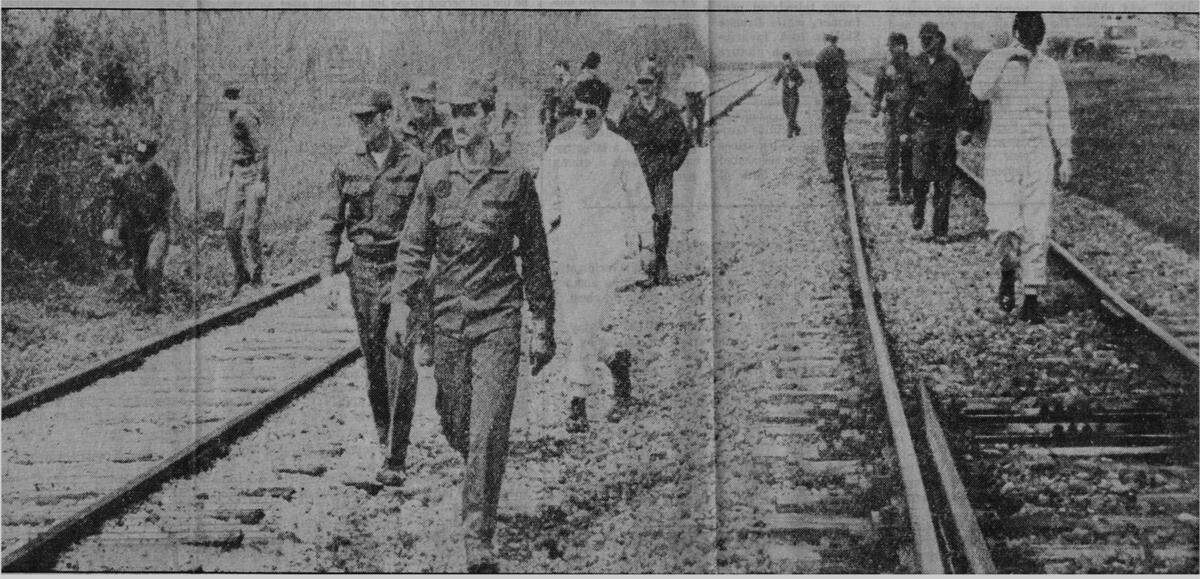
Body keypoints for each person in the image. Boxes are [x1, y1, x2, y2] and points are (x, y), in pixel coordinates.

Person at [387, 75, 556, 574]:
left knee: (488, 425)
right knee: (458, 421)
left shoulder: (516, 179)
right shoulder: (435, 177)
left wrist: (542, 322)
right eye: (454, 114)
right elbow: (415, 248)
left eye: (469, 113)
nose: (459, 123)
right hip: (448, 318)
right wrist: (401, 305)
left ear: (488, 115)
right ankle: (476, 465)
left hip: (499, 315)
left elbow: (536, 258)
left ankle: (477, 531)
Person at [318, 88, 425, 487]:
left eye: (368, 118)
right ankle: (385, 436)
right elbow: (331, 220)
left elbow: (429, 221)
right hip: (362, 272)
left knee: (399, 358)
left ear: (387, 117)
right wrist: (327, 273)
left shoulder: (415, 163)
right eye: (357, 119)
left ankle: (396, 455)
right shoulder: (346, 164)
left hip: (402, 271)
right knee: (374, 366)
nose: (362, 126)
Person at [537, 78, 653, 432]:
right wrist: (550, 229)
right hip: (570, 248)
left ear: (604, 113)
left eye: (592, 113)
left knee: (585, 322)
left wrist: (646, 243)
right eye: (578, 113)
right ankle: (616, 360)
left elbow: (640, 197)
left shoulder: (619, 149)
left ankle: (577, 399)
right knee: (577, 325)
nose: (584, 119)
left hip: (607, 250)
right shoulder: (559, 147)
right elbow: (545, 195)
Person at [971, 12, 1073, 324]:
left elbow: (1059, 112)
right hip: (1003, 153)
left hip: (1038, 154)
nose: (1031, 43)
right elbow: (978, 91)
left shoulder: (1049, 68)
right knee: (1003, 224)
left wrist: (1066, 156)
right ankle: (1006, 271)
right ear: (1015, 32)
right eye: (1026, 36)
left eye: (1036, 38)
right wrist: (1006, 56)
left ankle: (1031, 295)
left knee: (1037, 226)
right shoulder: (995, 60)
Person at [616, 61, 692, 286]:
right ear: (637, 85)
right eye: (641, 82)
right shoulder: (629, 111)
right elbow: (619, 143)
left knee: (662, 216)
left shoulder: (668, 109)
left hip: (661, 171)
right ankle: (646, 266)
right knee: (642, 217)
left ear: (656, 84)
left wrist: (672, 163)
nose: (645, 86)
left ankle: (660, 262)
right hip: (638, 172)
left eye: (649, 82)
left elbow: (684, 141)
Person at [909, 22, 971, 242]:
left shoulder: (951, 66)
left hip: (945, 129)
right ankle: (918, 210)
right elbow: (907, 98)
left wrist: (964, 127)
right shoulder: (915, 64)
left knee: (944, 180)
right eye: (922, 38)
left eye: (929, 38)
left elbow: (963, 98)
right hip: (922, 129)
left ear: (938, 39)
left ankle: (940, 230)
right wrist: (904, 129)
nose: (926, 42)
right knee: (919, 177)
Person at [101, 138, 176, 313]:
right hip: (136, 231)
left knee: (153, 264)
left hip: (158, 228)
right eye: (137, 159)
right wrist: (108, 226)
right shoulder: (125, 176)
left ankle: (153, 305)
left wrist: (177, 230)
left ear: (153, 158)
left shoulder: (162, 176)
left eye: (144, 160)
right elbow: (113, 201)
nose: (140, 164)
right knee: (139, 271)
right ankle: (149, 295)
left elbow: (172, 201)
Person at [221, 83, 269, 298]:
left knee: (249, 230)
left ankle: (258, 273)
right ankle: (241, 273)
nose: (230, 102)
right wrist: (229, 173)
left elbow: (261, 149)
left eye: (234, 97)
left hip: (253, 173)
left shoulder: (244, 116)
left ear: (240, 97)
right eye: (227, 97)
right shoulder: (231, 116)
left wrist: (260, 180)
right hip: (238, 173)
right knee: (229, 227)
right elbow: (236, 148)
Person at [871, 32, 916, 205]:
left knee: (908, 154)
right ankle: (892, 189)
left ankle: (907, 190)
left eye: (893, 46)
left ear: (903, 46)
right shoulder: (885, 66)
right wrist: (875, 106)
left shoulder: (913, 65)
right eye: (889, 46)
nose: (890, 49)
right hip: (891, 116)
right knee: (890, 153)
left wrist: (917, 110)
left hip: (909, 117)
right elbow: (877, 89)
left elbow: (920, 91)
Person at [815, 34, 851, 182]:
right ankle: (842, 165)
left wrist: (826, 83)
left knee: (829, 134)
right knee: (838, 132)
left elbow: (818, 68)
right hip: (843, 96)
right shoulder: (841, 54)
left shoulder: (823, 54)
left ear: (825, 40)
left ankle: (834, 172)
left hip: (831, 98)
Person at [401, 77, 453, 160]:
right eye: (414, 99)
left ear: (432, 102)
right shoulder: (407, 127)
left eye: (421, 100)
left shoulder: (445, 127)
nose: (416, 105)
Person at [540, 59, 575, 147]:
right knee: (548, 131)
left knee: (560, 131)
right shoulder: (557, 84)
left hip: (570, 117)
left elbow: (572, 102)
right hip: (558, 117)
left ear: (563, 68)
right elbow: (551, 101)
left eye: (556, 68)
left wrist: (560, 111)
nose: (554, 71)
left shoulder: (574, 84)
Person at [678, 53, 711, 147]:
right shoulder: (684, 72)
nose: (689, 63)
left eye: (691, 60)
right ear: (686, 62)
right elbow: (681, 86)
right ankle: (690, 143)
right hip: (689, 97)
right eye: (687, 61)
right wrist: (682, 99)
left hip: (699, 97)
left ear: (694, 61)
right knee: (689, 121)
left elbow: (706, 83)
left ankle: (700, 141)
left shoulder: (700, 71)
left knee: (700, 120)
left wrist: (704, 94)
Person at [773, 52, 805, 138]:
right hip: (785, 95)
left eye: (788, 61)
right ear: (783, 61)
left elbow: (801, 80)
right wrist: (774, 82)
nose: (787, 62)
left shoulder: (795, 70)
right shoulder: (782, 70)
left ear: (790, 61)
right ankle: (797, 128)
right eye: (785, 61)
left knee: (791, 114)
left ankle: (789, 132)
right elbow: (776, 79)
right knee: (786, 113)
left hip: (794, 95)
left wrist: (795, 83)